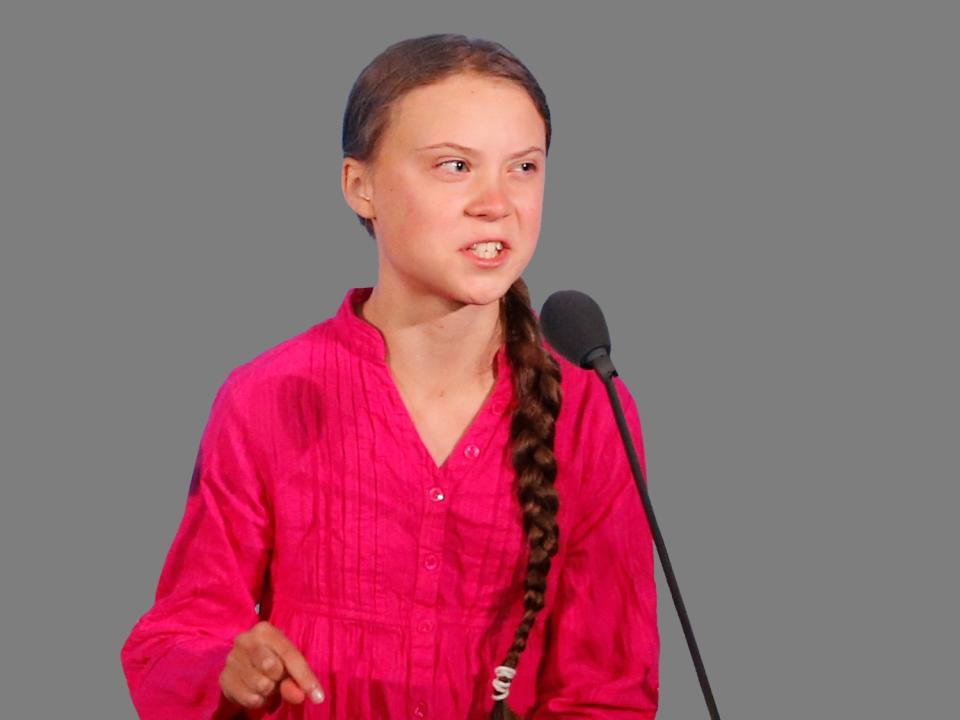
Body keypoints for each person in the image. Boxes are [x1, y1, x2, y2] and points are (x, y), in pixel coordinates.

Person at [121, 33, 659, 719]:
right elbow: (177, 637)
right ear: (360, 185)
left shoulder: (589, 409)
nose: (497, 202)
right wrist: (228, 669)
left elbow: (608, 688)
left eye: (523, 167)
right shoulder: (266, 396)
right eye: (456, 166)